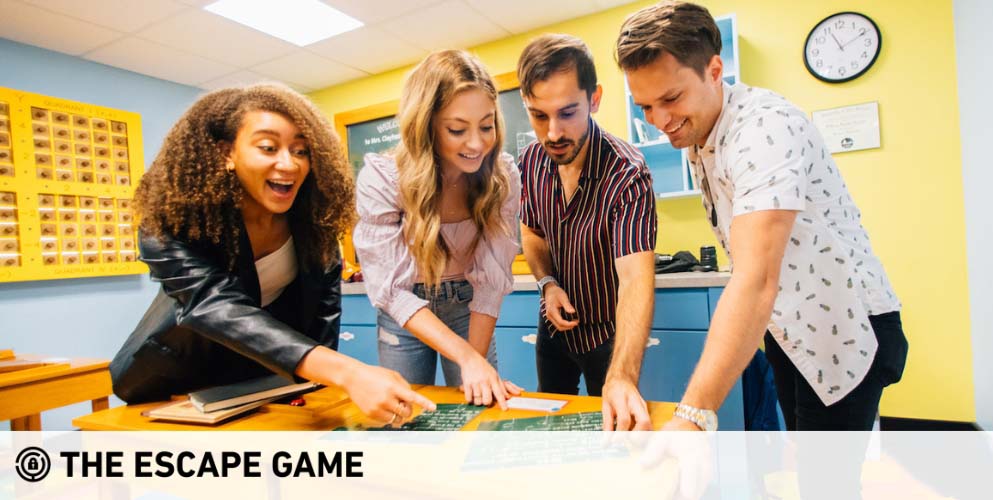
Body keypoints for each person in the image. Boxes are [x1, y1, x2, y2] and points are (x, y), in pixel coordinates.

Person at [616, 1, 908, 431]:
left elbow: (755, 280)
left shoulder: (763, 130)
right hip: (791, 324)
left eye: (671, 99)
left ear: (715, 71)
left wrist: (693, 416)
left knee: (828, 481)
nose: (660, 120)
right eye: (644, 107)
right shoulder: (703, 131)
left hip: (843, 327)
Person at [110, 83, 435, 426]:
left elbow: (321, 322)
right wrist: (351, 373)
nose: (289, 163)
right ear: (226, 154)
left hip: (259, 385)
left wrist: (320, 385)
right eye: (268, 147)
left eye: (301, 151)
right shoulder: (171, 226)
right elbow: (214, 306)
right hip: (171, 383)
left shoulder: (314, 228)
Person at [353, 50, 523, 409]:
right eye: (457, 129)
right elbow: (391, 290)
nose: (476, 143)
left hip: (469, 305)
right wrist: (468, 359)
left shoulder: (502, 176)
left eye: (487, 125)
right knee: (408, 414)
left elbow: (491, 283)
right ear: (426, 126)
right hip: (406, 314)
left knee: (480, 405)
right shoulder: (383, 179)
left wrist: (473, 361)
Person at [516, 34, 658, 430]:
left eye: (567, 112)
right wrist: (547, 284)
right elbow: (532, 231)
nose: (553, 133)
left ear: (594, 100)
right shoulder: (530, 160)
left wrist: (623, 375)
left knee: (613, 430)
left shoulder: (627, 172)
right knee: (554, 425)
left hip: (607, 337)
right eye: (538, 116)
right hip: (554, 327)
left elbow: (634, 278)